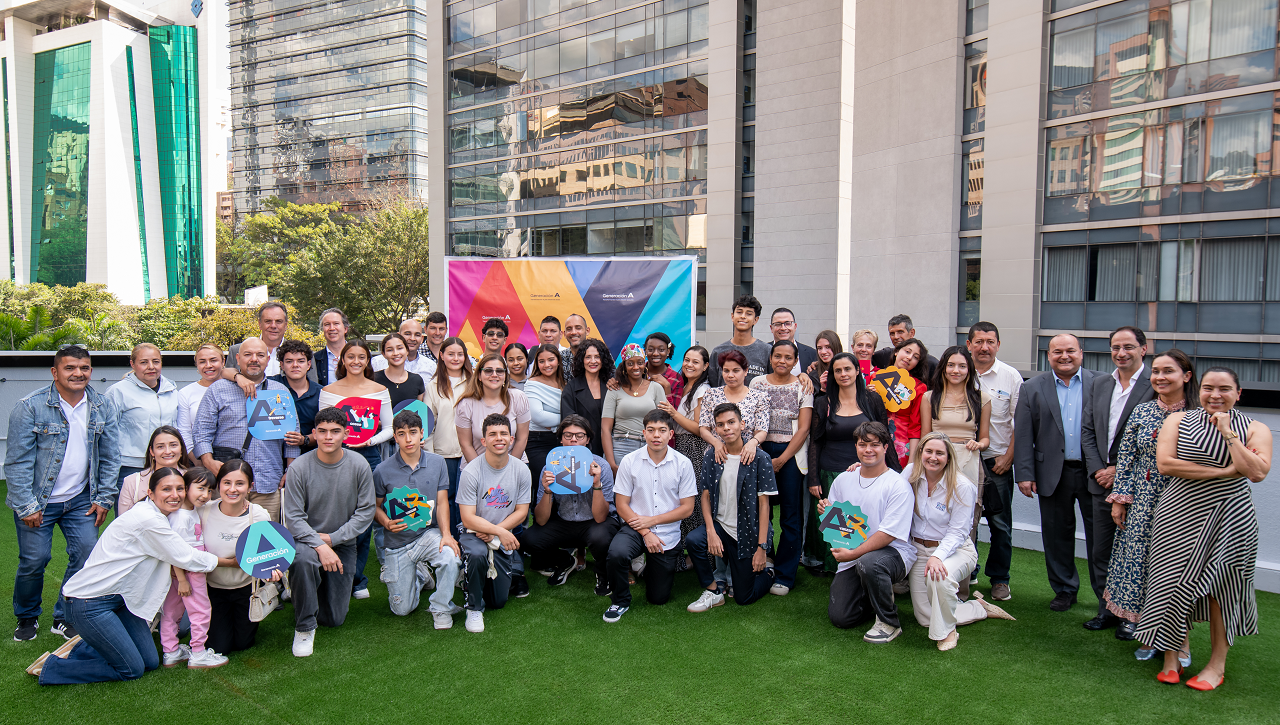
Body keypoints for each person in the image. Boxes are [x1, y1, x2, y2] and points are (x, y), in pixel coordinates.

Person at [1138, 367, 1271, 690]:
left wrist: (1228, 433)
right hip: (1178, 513)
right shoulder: (1178, 421)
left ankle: (1216, 665)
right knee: (1169, 582)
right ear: (1199, 390)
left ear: (1238, 393)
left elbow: (1256, 472)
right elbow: (1166, 463)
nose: (1215, 395)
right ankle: (1171, 657)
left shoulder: (1256, 428)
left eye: (1224, 389)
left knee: (1222, 588)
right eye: (1209, 388)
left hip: (1231, 518)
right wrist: (1225, 471)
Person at [29, 468, 221, 684]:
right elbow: (186, 556)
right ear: (150, 492)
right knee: (132, 670)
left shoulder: (161, 515)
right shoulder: (148, 519)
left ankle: (84, 647)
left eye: (179, 489)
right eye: (166, 489)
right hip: (88, 603)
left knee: (150, 662)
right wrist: (231, 561)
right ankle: (52, 667)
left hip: (121, 600)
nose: (174, 495)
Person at [7, 345, 119, 643]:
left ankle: (63, 616)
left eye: (84, 368)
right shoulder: (30, 406)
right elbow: (17, 462)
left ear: (90, 371)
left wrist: (103, 498)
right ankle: (27, 616)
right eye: (70, 368)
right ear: (55, 372)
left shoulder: (101, 405)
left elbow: (110, 455)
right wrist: (27, 505)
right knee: (35, 560)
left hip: (81, 498)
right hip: (37, 501)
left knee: (84, 555)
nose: (78, 373)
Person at [1104, 350, 1196, 661]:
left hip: (1185, 502)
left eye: (1168, 371)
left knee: (1177, 570)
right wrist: (1121, 500)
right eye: (1155, 371)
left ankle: (1180, 639)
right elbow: (1126, 460)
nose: (1159, 377)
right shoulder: (1142, 412)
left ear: (1186, 375)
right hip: (1142, 502)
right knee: (1142, 567)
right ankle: (1149, 634)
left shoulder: (1198, 415)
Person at [1014, 334, 1102, 614]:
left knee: (1101, 537)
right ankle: (1064, 589)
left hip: (1096, 474)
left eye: (1070, 351)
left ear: (1081, 353)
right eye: (1057, 352)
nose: (1064, 356)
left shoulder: (1102, 384)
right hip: (1052, 473)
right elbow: (1024, 433)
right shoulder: (1033, 387)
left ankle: (1107, 597)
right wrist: (1024, 473)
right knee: (1056, 534)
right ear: (1048, 355)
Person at [903, 433, 1012, 650]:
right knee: (926, 618)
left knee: (938, 578)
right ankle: (978, 608)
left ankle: (948, 632)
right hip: (918, 549)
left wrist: (936, 557)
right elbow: (887, 489)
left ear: (949, 457)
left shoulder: (962, 485)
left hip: (956, 550)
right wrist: (859, 469)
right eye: (929, 451)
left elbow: (958, 532)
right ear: (921, 453)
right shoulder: (910, 473)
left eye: (939, 453)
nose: (933, 457)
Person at [284, 408, 376, 657]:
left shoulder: (359, 464)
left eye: (335, 431)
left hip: (343, 543)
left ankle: (308, 591)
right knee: (302, 560)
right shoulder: (299, 467)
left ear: (346, 434)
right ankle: (304, 626)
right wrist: (321, 545)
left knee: (334, 618)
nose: (328, 437)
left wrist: (334, 539)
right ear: (313, 434)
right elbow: (293, 518)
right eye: (322, 431)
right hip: (306, 541)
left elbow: (366, 512)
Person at [1081, 326, 1154, 635]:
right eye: (1115, 347)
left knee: (1135, 554)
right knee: (1100, 551)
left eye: (1128, 347)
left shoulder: (1156, 383)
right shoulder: (1100, 383)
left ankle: (1134, 618)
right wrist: (1100, 469)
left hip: (1140, 486)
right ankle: (1106, 609)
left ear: (1143, 348)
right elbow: (1087, 431)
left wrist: (1119, 470)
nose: (1121, 353)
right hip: (1101, 482)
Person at [821, 421, 915, 643]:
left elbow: (888, 535)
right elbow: (840, 528)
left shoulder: (897, 485)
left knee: (870, 563)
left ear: (886, 447)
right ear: (856, 447)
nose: (868, 450)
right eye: (863, 445)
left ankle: (889, 622)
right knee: (841, 617)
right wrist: (827, 514)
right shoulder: (844, 479)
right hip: (856, 555)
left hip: (893, 553)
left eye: (875, 444)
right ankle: (875, 595)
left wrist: (853, 554)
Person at [805, 352, 897, 574]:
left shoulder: (872, 400)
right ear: (832, 375)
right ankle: (834, 565)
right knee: (834, 522)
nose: (843, 374)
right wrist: (814, 477)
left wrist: (896, 471)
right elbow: (816, 442)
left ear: (858, 371)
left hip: (867, 472)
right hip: (831, 472)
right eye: (838, 370)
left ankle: (863, 560)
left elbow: (885, 437)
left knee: (863, 518)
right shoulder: (822, 403)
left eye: (848, 369)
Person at [603, 410, 696, 623]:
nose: (656, 435)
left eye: (662, 430)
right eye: (651, 430)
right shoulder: (629, 461)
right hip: (635, 527)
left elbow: (687, 508)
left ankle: (648, 568)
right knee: (617, 553)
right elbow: (621, 504)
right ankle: (620, 601)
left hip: (667, 533)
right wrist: (646, 531)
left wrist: (652, 522)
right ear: (644, 433)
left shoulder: (683, 463)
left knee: (658, 598)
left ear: (670, 434)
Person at [192, 337, 300, 522]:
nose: (254, 359)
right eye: (248, 354)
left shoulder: (280, 391)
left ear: (267, 359)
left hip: (267, 483)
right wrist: (209, 462)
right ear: (238, 358)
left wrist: (290, 470)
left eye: (259, 355)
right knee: (225, 537)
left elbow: (291, 437)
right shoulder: (218, 389)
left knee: (265, 543)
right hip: (226, 482)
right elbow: (202, 431)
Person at [318, 339, 393, 599]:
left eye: (362, 357)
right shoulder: (328, 391)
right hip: (335, 457)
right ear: (343, 360)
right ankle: (334, 573)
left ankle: (357, 579)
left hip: (369, 454)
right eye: (351, 356)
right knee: (337, 513)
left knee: (364, 515)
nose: (356, 361)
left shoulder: (379, 389)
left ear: (368, 361)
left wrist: (370, 441)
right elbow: (322, 427)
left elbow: (390, 428)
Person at [374, 410, 462, 628]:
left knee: (450, 556)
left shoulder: (437, 462)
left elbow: (442, 502)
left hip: (427, 534)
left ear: (422, 433)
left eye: (413, 433)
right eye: (401, 434)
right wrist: (385, 521)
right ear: (394, 436)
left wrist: (447, 535)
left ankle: (440, 607)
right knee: (402, 610)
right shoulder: (382, 470)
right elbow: (374, 507)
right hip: (397, 543)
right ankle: (422, 576)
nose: (408, 439)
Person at [453, 352, 532, 596]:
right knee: (475, 523)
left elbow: (521, 437)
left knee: (513, 517)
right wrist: (484, 471)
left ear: (506, 375)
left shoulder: (517, 397)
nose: (494, 375)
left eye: (500, 370)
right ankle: (470, 566)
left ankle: (514, 569)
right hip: (475, 468)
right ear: (479, 374)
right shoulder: (465, 403)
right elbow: (466, 443)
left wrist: (509, 467)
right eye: (489, 370)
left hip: (513, 464)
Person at [685, 404, 778, 611]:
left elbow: (765, 507)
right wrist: (710, 531)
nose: (726, 428)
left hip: (746, 533)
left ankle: (769, 572)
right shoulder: (712, 455)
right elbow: (706, 496)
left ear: (742, 424)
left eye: (731, 422)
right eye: (720, 425)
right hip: (720, 526)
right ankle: (713, 591)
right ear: (715, 429)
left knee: (744, 597)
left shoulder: (760, 458)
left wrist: (762, 548)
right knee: (693, 540)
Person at [519, 415, 620, 592]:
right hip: (564, 521)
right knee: (529, 539)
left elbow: (600, 517)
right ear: (560, 439)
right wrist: (548, 490)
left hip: (594, 522)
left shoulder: (601, 466)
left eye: (579, 435)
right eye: (567, 435)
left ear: (588, 439)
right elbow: (541, 520)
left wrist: (596, 485)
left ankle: (602, 573)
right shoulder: (549, 467)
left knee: (601, 537)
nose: (573, 439)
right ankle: (565, 561)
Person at [456, 413, 532, 633]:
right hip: (474, 533)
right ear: (483, 441)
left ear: (511, 438)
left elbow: (522, 510)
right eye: (492, 434)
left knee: (498, 601)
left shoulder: (521, 469)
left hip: (500, 534)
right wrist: (499, 531)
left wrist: (498, 533)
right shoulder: (471, 471)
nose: (498, 438)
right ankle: (473, 607)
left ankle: (472, 578)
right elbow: (467, 518)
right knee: (478, 555)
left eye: (503, 434)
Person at [748, 340, 812, 595]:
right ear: (771, 358)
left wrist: (782, 459)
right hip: (760, 451)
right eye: (778, 356)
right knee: (757, 509)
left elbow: (804, 428)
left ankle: (785, 575)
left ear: (795, 360)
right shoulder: (757, 383)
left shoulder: (803, 385)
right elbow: (750, 419)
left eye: (788, 357)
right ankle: (765, 559)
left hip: (791, 455)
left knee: (790, 515)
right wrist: (762, 455)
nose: (782, 361)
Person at [966, 321, 1021, 603]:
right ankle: (968, 569)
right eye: (979, 342)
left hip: (996, 462)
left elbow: (1018, 423)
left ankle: (1000, 579)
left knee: (1000, 524)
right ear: (969, 345)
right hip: (963, 462)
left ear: (998, 345)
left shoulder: (1010, 377)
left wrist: (1009, 457)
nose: (984, 347)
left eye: (990, 341)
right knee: (965, 521)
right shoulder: (959, 372)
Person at [200, 460, 272, 657]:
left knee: (243, 643)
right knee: (219, 647)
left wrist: (272, 570)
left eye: (240, 483)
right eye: (226, 483)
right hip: (212, 590)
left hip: (246, 590)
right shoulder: (204, 511)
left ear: (250, 487)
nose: (232, 489)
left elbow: (272, 553)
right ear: (218, 485)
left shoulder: (258, 515)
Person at [158, 468, 225, 669]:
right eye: (201, 488)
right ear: (185, 488)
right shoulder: (180, 518)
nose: (206, 495)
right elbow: (175, 551)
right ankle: (198, 652)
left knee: (171, 610)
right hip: (189, 572)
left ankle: (170, 651)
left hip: (182, 573)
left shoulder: (188, 512)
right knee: (201, 611)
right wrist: (183, 579)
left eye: (210, 490)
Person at [106, 343, 178, 498]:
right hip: (131, 466)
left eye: (156, 361)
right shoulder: (118, 391)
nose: (151, 367)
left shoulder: (171, 389)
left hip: (165, 463)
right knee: (131, 517)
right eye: (144, 362)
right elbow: (107, 432)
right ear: (133, 364)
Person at [921, 346, 990, 487]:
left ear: (969, 369)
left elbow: (985, 438)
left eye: (962, 366)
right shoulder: (929, 397)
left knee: (965, 504)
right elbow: (925, 436)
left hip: (968, 459)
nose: (956, 371)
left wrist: (979, 444)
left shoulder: (982, 399)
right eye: (951, 365)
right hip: (936, 459)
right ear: (943, 368)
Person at [424, 337, 473, 533]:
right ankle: (451, 541)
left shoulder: (475, 381)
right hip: (444, 454)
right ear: (441, 356)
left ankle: (469, 544)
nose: (455, 358)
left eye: (460, 354)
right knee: (448, 499)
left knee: (469, 500)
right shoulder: (433, 385)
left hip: (471, 451)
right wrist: (431, 455)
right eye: (450, 354)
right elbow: (428, 423)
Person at [602, 343, 667, 474]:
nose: (636, 367)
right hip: (620, 448)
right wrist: (611, 463)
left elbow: (664, 424)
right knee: (620, 494)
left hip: (649, 447)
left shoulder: (656, 388)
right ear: (624, 366)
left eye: (640, 362)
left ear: (645, 364)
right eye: (630, 363)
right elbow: (605, 428)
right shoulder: (614, 389)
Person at [698, 350, 770, 466]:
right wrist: (716, 443)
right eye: (726, 371)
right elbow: (704, 429)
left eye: (736, 371)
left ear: (745, 371)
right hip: (717, 456)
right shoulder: (711, 395)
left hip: (747, 456)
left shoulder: (759, 397)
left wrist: (752, 443)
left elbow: (761, 431)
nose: (730, 375)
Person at [116, 426, 195, 514]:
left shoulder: (193, 479)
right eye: (160, 447)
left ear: (181, 449)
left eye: (173, 445)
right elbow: (124, 521)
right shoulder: (132, 482)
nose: (168, 451)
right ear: (152, 451)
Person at [227, 302, 309, 380]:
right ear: (260, 324)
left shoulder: (303, 354)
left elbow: (310, 386)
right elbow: (226, 379)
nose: (273, 326)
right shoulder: (236, 350)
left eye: (278, 321)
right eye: (268, 321)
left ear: (285, 325)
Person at [561, 338, 614, 456]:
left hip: (611, 448)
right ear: (581, 360)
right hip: (582, 449)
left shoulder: (612, 385)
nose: (593, 361)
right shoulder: (571, 388)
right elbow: (568, 421)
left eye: (597, 356)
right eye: (588, 357)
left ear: (603, 359)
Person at [269, 339, 321, 455]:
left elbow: (326, 429)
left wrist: (304, 440)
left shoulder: (321, 393)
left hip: (309, 456)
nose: (295, 365)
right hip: (275, 455)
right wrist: (237, 376)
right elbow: (228, 373)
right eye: (289, 361)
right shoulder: (270, 385)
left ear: (308, 364)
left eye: (300, 361)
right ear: (282, 365)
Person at [524, 343, 565, 485]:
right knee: (545, 482)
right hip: (538, 441)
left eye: (551, 360)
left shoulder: (565, 384)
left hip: (563, 441)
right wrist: (567, 418)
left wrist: (556, 424)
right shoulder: (532, 384)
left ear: (558, 361)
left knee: (563, 483)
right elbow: (538, 416)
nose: (546, 364)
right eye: (541, 361)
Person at [709, 295, 771, 386]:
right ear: (732, 316)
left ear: (755, 320)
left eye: (749, 314)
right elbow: (712, 386)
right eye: (739, 312)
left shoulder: (767, 351)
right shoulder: (718, 352)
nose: (743, 316)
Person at [884, 338, 929, 464]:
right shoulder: (875, 378)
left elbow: (916, 426)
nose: (909, 358)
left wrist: (912, 462)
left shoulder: (919, 387)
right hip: (875, 441)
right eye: (907, 351)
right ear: (896, 351)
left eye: (915, 357)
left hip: (902, 447)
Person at [175, 344, 225, 450]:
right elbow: (184, 432)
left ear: (223, 362)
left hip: (231, 457)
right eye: (202, 362)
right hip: (197, 458)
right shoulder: (186, 393)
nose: (208, 365)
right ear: (196, 365)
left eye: (213, 360)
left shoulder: (235, 388)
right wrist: (196, 460)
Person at [871, 314, 939, 382]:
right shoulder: (884, 355)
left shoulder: (932, 364)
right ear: (896, 353)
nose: (896, 337)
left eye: (900, 332)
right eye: (892, 333)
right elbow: (864, 360)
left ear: (912, 333)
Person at [372, 333, 427, 408]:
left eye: (400, 348)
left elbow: (419, 412)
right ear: (384, 354)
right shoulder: (374, 379)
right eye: (390, 350)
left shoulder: (417, 380)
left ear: (407, 350)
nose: (396, 353)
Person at [769, 307, 819, 375]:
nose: (783, 328)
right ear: (771, 328)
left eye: (788, 323)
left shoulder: (812, 354)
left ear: (795, 326)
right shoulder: (763, 352)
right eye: (778, 324)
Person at [314, 308, 351, 386]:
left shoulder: (360, 356)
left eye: (336, 323)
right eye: (327, 324)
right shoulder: (315, 360)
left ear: (345, 329)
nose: (331, 328)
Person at [642, 332, 679, 403]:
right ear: (645, 351)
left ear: (668, 351)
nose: (655, 353)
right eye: (650, 349)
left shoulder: (676, 379)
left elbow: (673, 412)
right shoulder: (636, 371)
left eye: (661, 350)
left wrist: (667, 387)